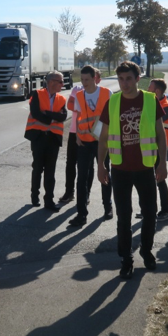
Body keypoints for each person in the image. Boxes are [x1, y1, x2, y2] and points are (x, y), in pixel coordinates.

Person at [97, 61, 168, 279]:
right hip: (120, 169)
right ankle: (126, 259)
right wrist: (100, 165)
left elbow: (160, 134)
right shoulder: (113, 101)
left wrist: (162, 164)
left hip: (146, 168)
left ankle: (146, 252)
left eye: (128, 78)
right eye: (121, 79)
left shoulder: (149, 99)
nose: (124, 83)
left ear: (138, 78)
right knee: (123, 217)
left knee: (149, 214)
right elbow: (104, 137)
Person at [69, 66, 112, 227]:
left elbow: (112, 116)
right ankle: (81, 214)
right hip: (85, 141)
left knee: (105, 174)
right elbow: (79, 117)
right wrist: (78, 135)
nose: (84, 83)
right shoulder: (79, 95)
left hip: (102, 141)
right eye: (82, 79)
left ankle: (107, 207)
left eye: (87, 79)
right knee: (81, 178)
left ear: (95, 78)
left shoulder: (106, 93)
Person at [24, 71, 67, 212]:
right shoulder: (37, 94)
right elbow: (36, 113)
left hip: (53, 138)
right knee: (37, 168)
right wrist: (53, 117)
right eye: (60, 81)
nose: (63, 84)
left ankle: (49, 201)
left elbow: (64, 116)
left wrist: (47, 114)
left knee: (50, 171)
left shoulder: (61, 99)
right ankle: (34, 196)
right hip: (38, 137)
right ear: (52, 82)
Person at [135, 79, 168, 221]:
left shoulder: (166, 107)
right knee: (145, 181)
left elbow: (151, 123)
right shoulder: (150, 104)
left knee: (160, 181)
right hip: (148, 148)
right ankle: (147, 210)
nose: (147, 90)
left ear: (157, 91)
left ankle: (165, 211)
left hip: (158, 149)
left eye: (149, 87)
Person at [59, 77, 83, 204]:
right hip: (74, 131)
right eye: (83, 78)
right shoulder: (77, 89)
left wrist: (79, 106)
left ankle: (85, 194)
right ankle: (69, 192)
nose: (85, 81)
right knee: (70, 164)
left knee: (86, 166)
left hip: (89, 134)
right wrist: (85, 108)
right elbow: (70, 105)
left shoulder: (100, 92)